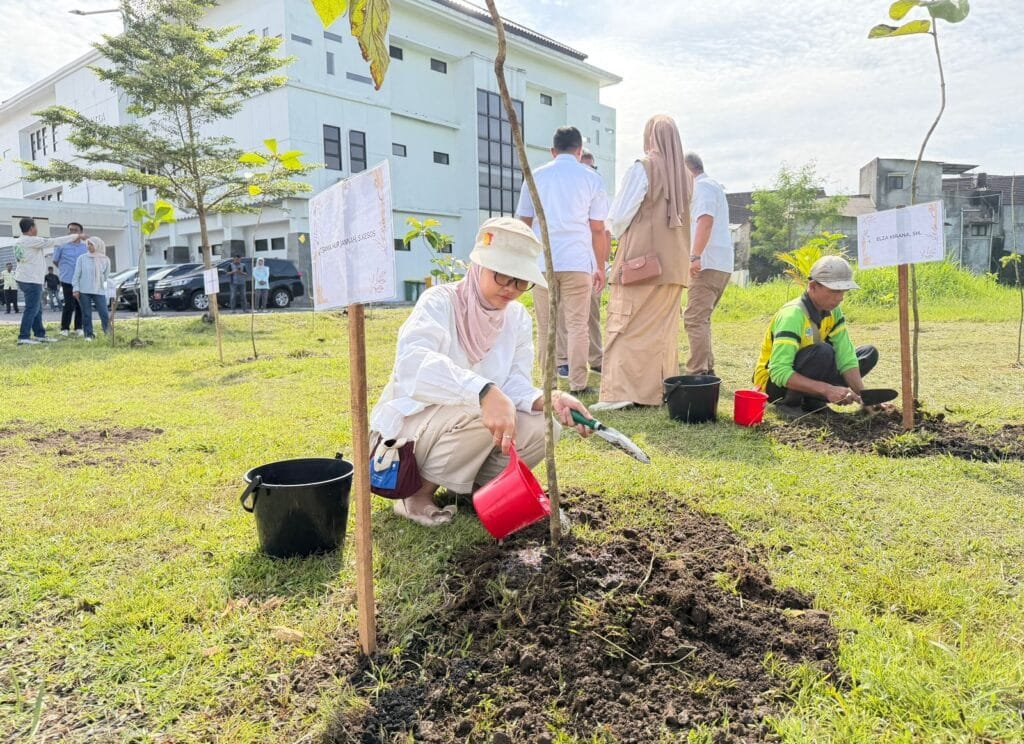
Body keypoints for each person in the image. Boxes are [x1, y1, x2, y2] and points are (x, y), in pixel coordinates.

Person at [370, 217, 594, 527]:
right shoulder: (440, 302)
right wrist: (483, 391)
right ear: (478, 266)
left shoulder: (516, 317)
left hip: (462, 431)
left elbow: (514, 383)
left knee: (543, 426)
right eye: (502, 275)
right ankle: (416, 495)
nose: (511, 288)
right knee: (479, 409)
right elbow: (412, 366)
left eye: (521, 281)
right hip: (409, 437)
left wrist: (550, 398)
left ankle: (479, 489)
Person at [595, 115, 692, 410]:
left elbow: (618, 217)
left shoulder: (644, 167)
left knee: (625, 326)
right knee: (661, 333)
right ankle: (657, 391)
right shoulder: (686, 176)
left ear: (650, 136)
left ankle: (621, 393)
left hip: (641, 266)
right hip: (675, 267)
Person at [516, 125, 609, 395]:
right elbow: (598, 228)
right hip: (577, 261)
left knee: (546, 325)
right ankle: (578, 383)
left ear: (553, 151)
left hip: (543, 262)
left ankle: (550, 384)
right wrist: (600, 266)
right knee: (578, 324)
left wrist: (525, 259)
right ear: (579, 151)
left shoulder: (536, 176)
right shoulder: (591, 178)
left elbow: (523, 221)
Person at [753, 255, 879, 412]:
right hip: (774, 386)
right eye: (834, 291)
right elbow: (779, 372)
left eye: (843, 291)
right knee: (823, 351)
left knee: (868, 353)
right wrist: (827, 389)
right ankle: (791, 404)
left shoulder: (833, 311)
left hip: (812, 368)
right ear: (812, 286)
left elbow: (845, 357)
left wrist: (865, 397)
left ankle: (813, 400)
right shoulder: (792, 316)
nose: (840, 298)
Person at [555, 148, 608, 379]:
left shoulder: (595, 188)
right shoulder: (565, 193)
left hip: (591, 265)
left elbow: (603, 231)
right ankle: (563, 361)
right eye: (584, 165)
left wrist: (601, 265)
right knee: (563, 314)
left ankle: (596, 358)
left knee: (592, 314)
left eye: (592, 166)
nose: (588, 170)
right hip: (569, 262)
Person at [682, 152, 734, 376]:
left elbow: (705, 221)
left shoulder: (701, 187)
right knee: (701, 318)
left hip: (707, 263)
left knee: (694, 318)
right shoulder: (713, 186)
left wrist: (695, 256)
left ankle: (697, 372)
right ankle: (706, 368)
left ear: (687, 170)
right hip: (720, 263)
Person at [14, 218, 84, 345]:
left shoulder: (19, 241)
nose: (37, 229)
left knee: (37, 308)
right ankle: (23, 337)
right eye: (35, 226)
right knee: (31, 309)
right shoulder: (32, 240)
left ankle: (40, 334)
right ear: (31, 228)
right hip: (31, 280)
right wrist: (76, 236)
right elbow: (54, 242)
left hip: (26, 279)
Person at [72, 237, 112, 341]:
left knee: (104, 313)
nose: (88, 246)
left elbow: (106, 276)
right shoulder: (82, 258)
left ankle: (108, 333)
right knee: (86, 314)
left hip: (99, 290)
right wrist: (75, 289)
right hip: (83, 290)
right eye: (88, 244)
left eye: (91, 244)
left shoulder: (105, 259)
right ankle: (88, 335)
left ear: (97, 245)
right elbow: (76, 275)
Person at [53, 222, 88, 336]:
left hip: (82, 280)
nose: (72, 232)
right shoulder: (61, 245)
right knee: (69, 304)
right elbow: (55, 260)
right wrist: (65, 270)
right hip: (67, 279)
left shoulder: (85, 246)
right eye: (70, 230)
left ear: (81, 232)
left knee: (80, 305)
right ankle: (65, 328)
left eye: (75, 230)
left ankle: (78, 327)